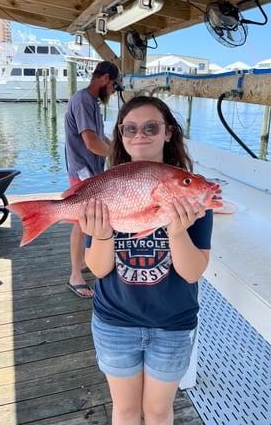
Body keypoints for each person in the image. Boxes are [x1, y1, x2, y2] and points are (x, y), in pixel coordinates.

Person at [78, 95, 214, 424]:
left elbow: (193, 272)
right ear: (121, 136)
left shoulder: (193, 194)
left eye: (151, 127)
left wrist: (178, 232)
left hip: (172, 324)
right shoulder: (108, 186)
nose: (140, 135)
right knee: (124, 410)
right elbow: (97, 268)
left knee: (157, 411)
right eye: (130, 129)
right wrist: (101, 233)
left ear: (169, 132)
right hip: (114, 321)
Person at [64, 61, 120, 299]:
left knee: (92, 217)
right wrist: (118, 158)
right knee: (80, 221)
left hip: (91, 171)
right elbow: (91, 143)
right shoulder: (83, 100)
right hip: (82, 172)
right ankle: (75, 275)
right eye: (114, 85)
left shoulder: (92, 102)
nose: (114, 90)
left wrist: (120, 152)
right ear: (106, 78)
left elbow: (101, 137)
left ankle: (86, 260)